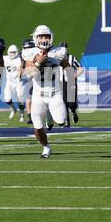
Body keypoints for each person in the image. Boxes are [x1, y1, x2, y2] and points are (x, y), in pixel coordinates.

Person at [22, 25, 72, 158]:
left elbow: (68, 68)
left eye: (47, 36)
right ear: (35, 38)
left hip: (55, 92)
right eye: (41, 36)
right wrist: (38, 63)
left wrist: (71, 75)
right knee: (37, 127)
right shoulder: (30, 52)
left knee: (61, 121)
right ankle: (46, 147)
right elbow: (28, 74)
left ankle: (51, 113)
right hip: (38, 94)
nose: (44, 39)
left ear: (51, 37)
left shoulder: (59, 51)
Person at [59, 42, 83, 127]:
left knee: (71, 103)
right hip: (61, 83)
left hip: (71, 82)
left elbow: (80, 67)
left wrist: (76, 75)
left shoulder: (72, 58)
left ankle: (73, 111)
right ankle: (67, 122)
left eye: (64, 48)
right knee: (63, 103)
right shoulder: (56, 58)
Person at [3, 44, 25, 122]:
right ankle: (13, 109)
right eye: (11, 52)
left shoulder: (20, 59)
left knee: (20, 98)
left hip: (19, 81)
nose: (12, 54)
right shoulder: (5, 58)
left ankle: (22, 114)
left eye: (14, 52)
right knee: (7, 99)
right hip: (9, 82)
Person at [21, 39, 35, 124]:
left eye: (29, 48)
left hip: (38, 78)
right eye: (26, 48)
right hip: (28, 78)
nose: (27, 50)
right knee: (28, 99)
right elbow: (22, 66)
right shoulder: (22, 55)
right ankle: (30, 117)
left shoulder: (37, 54)